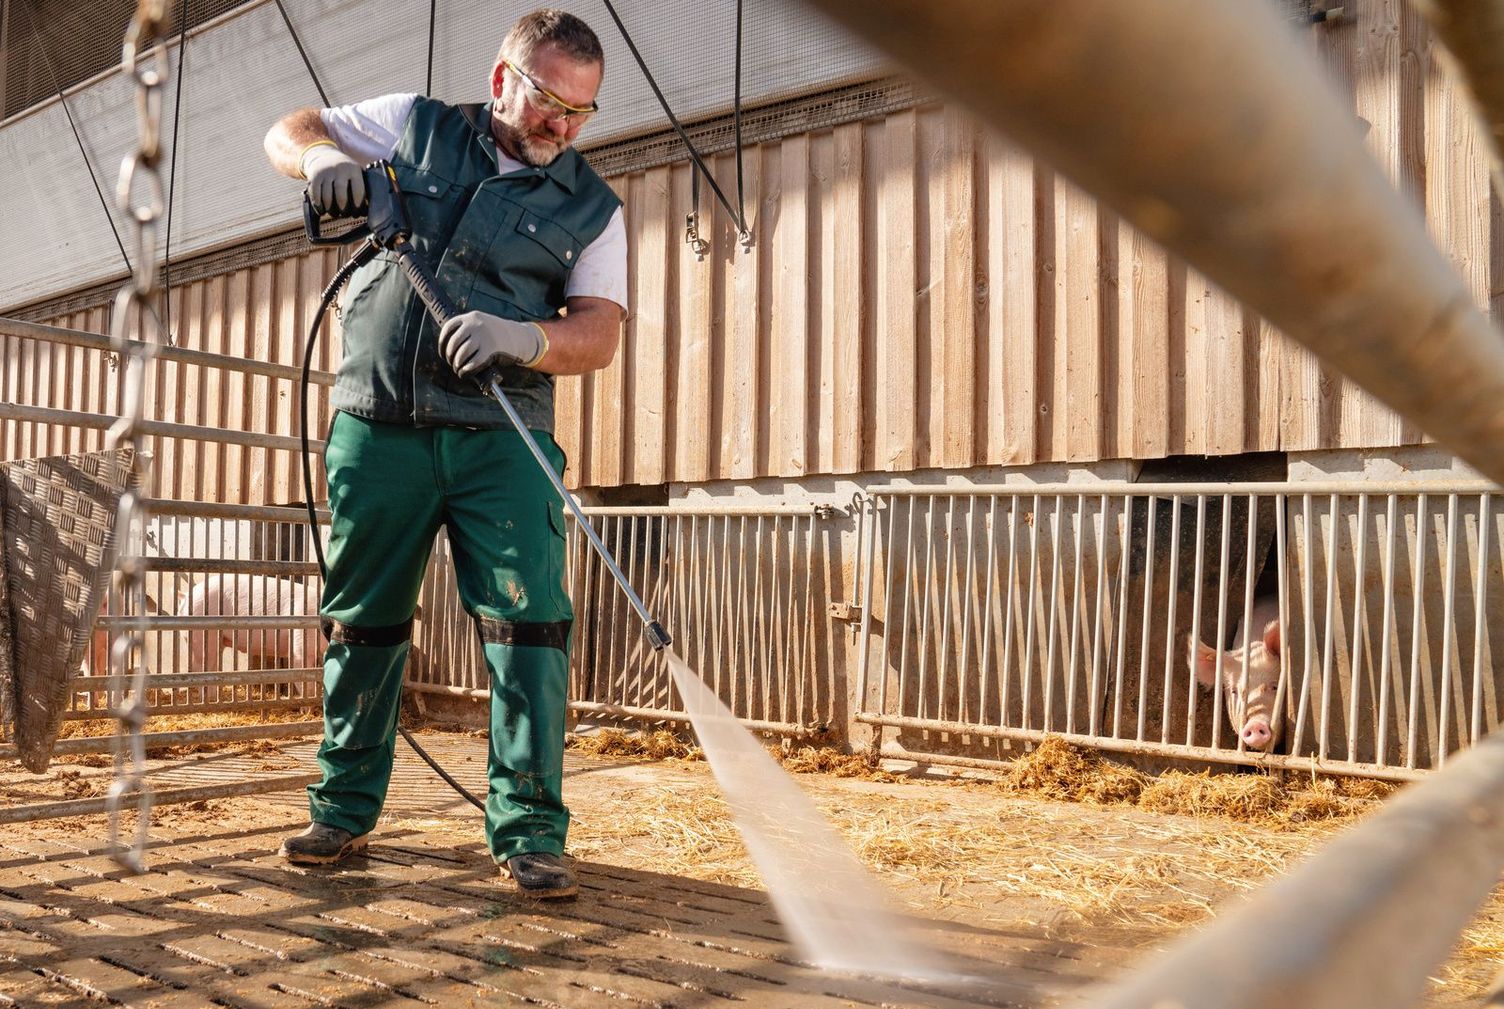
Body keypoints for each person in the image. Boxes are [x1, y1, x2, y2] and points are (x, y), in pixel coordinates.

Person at [262, 8, 626, 900]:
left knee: (527, 627)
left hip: (502, 438)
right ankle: (341, 809)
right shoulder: (415, 124)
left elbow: (601, 333)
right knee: (362, 621)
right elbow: (289, 128)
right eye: (548, 102)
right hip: (377, 420)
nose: (562, 127)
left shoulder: (594, 208)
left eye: (581, 112)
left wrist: (524, 337)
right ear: (504, 78)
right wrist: (324, 162)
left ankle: (531, 830)